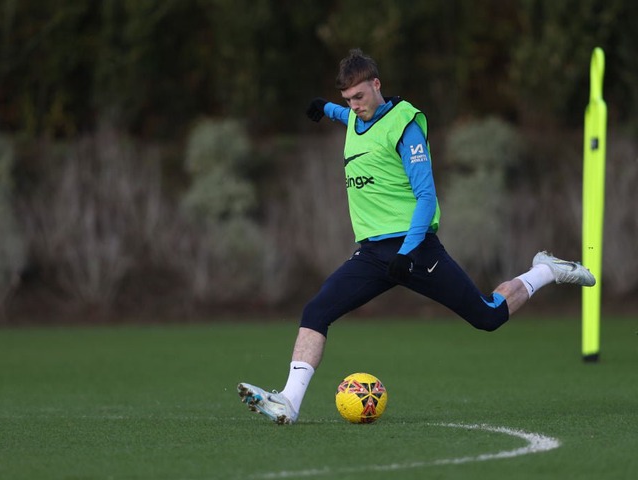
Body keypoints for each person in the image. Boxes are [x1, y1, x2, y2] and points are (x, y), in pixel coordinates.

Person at [237, 48, 595, 424]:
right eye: (348, 99)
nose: (354, 105)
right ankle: (289, 403)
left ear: (377, 84)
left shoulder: (405, 126)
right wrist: (325, 108)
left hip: (417, 249)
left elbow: (427, 197)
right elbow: (348, 118)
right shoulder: (353, 118)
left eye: (359, 96)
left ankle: (546, 270)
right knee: (316, 311)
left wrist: (408, 252)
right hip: (373, 254)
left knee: (487, 316)